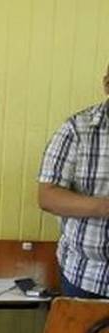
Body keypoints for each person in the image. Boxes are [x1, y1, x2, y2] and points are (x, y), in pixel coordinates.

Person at [38, 61, 109, 298]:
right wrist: (104, 206)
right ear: (107, 85)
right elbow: (47, 196)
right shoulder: (76, 129)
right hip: (88, 275)